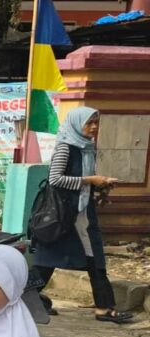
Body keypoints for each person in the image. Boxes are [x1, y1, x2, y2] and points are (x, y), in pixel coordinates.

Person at [32, 107, 131, 323]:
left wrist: (99, 191)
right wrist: (90, 181)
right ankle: (25, 300)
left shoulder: (87, 148)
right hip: (64, 216)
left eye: (96, 122)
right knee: (47, 261)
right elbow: (55, 179)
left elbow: (82, 182)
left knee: (95, 259)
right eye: (90, 123)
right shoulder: (65, 148)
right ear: (77, 124)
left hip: (84, 215)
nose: (94, 127)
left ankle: (104, 308)